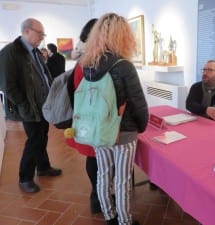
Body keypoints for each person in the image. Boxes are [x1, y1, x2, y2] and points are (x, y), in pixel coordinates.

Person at [79, 13, 148, 225]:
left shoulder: (89, 64)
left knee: (103, 174)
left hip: (98, 129)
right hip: (123, 130)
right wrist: (142, 125)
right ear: (122, 35)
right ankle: (125, 221)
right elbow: (138, 103)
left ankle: (109, 216)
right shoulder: (123, 65)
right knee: (123, 178)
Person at [0, 18, 62, 193]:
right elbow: (7, 85)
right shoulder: (10, 52)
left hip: (43, 106)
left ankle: (43, 167)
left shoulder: (34, 51)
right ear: (26, 31)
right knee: (34, 140)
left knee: (42, 136)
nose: (42, 37)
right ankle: (25, 178)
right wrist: (24, 105)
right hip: (29, 108)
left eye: (43, 34)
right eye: (39, 33)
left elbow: (43, 75)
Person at [66, 18, 102, 215]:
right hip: (93, 119)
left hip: (88, 118)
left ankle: (97, 196)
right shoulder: (90, 61)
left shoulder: (84, 58)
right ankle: (98, 197)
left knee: (94, 158)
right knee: (96, 158)